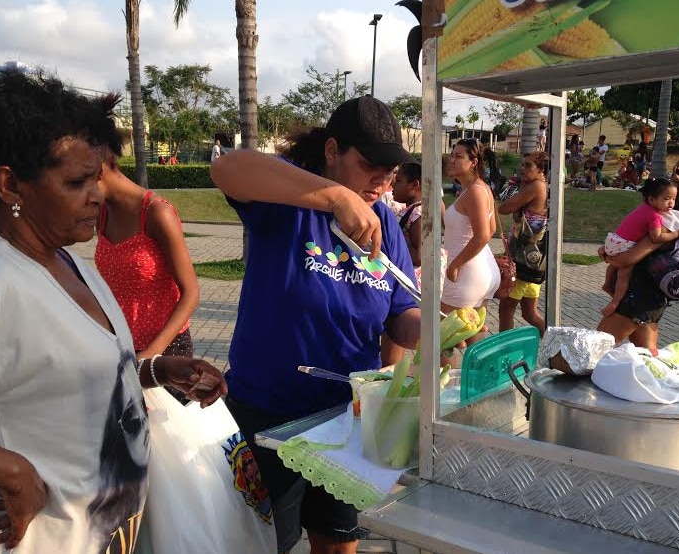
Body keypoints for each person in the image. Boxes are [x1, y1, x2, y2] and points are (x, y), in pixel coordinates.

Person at [0, 70, 226, 554]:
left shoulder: (69, 260)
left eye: (96, 178)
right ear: (10, 185)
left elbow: (65, 379)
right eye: (77, 182)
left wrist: (157, 370)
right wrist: (10, 472)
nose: (98, 195)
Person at [210, 95, 421, 554]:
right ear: (332, 151)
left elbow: (401, 315)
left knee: (339, 542)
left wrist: (434, 330)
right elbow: (227, 167)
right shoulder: (289, 201)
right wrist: (336, 196)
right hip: (268, 412)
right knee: (265, 543)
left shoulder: (385, 221)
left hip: (345, 418)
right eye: (370, 166)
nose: (383, 181)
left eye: (390, 171)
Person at [93, 99, 200, 403]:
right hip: (121, 347)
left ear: (101, 166)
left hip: (168, 350)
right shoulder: (100, 214)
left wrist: (152, 356)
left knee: (171, 443)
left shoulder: (156, 213)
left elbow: (190, 292)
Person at [601, 178, 679, 317]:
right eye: (667, 198)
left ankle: (607, 284)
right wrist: (678, 233)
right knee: (624, 274)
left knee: (614, 265)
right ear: (652, 199)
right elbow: (656, 237)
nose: (671, 203)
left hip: (613, 241)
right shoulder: (655, 216)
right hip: (624, 246)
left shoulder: (642, 208)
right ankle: (616, 301)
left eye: (673, 199)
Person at [441, 139, 500, 324]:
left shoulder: (475, 191)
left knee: (440, 339)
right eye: (452, 155)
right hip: (479, 270)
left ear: (473, 162)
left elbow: (483, 234)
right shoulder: (477, 188)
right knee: (473, 338)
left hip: (464, 274)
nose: (452, 160)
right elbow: (492, 229)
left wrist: (455, 265)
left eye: (458, 156)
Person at [498, 150, 549, 336]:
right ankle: (556, 344)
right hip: (534, 260)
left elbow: (504, 207)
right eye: (522, 164)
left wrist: (519, 187)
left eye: (528, 165)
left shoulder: (536, 186)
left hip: (524, 261)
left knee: (506, 309)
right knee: (529, 313)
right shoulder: (541, 185)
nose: (523, 169)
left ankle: (505, 352)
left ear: (541, 169)